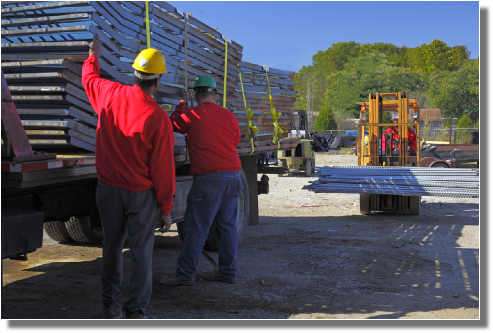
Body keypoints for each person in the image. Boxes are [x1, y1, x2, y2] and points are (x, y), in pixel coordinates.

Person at [82, 34, 176, 319]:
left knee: (111, 248)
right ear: (157, 82)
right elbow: (163, 170)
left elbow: (89, 79)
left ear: (134, 74)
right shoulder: (158, 118)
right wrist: (165, 208)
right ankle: (135, 311)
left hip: (108, 190)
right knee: (141, 252)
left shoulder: (109, 94)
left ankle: (109, 305)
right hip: (140, 196)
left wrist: (93, 56)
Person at [159, 75, 242, 286]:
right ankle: (228, 272)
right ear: (214, 95)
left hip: (209, 178)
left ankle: (185, 274)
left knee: (197, 228)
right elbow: (235, 139)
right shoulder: (229, 115)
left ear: (196, 95)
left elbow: (173, 124)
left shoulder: (192, 115)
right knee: (227, 227)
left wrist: (181, 105)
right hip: (233, 176)